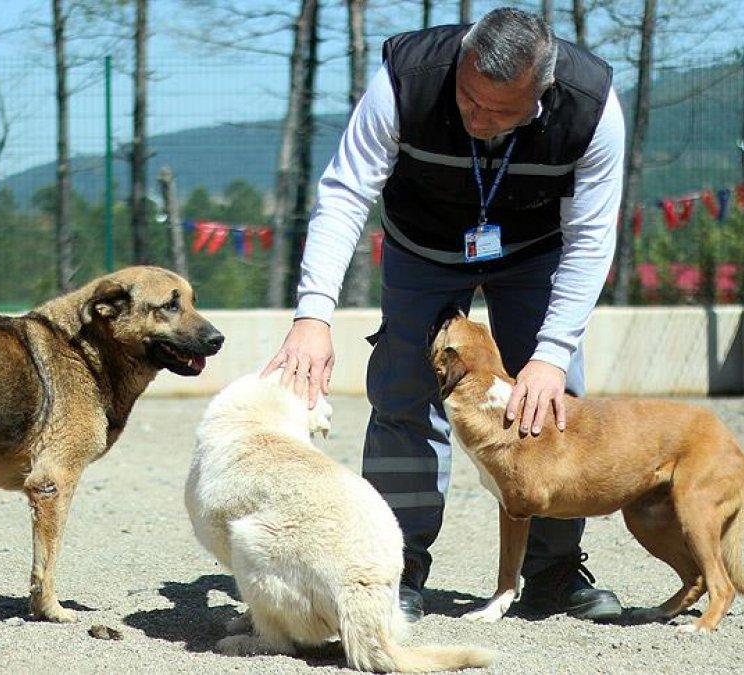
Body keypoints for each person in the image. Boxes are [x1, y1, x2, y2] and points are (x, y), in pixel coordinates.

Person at [262, 7, 626, 623]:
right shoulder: (406, 79)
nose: (475, 118)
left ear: (538, 96)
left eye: (499, 111)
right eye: (467, 99)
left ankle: (554, 573)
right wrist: (314, 315)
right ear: (460, 64)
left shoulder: (592, 107)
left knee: (550, 401)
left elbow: (592, 237)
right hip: (422, 246)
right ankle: (395, 565)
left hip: (534, 252)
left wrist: (551, 354)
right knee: (403, 392)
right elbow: (347, 190)